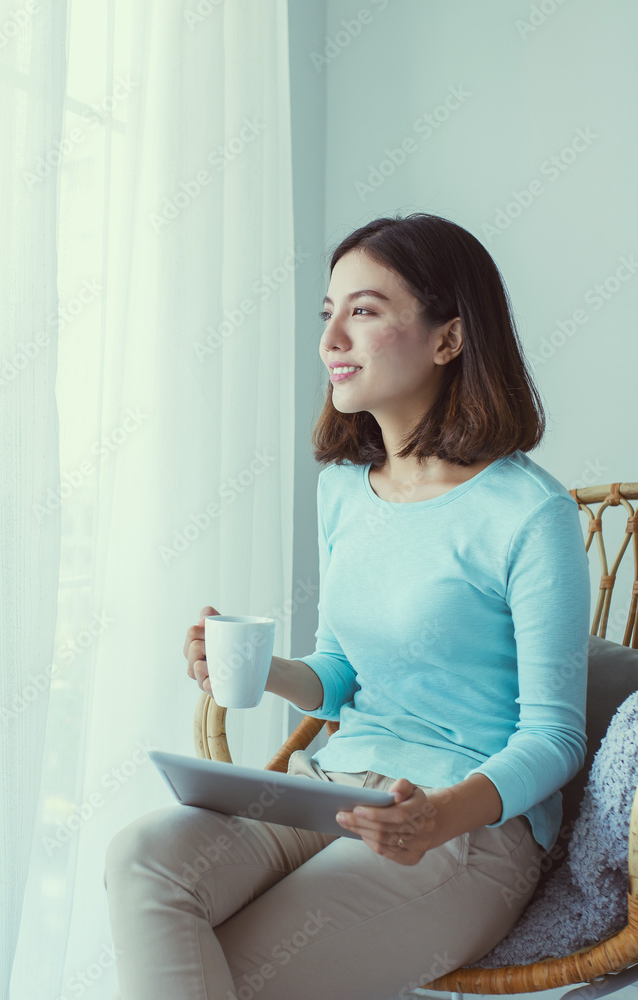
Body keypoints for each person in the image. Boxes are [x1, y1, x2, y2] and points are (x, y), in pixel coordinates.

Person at [103, 212, 590, 1000]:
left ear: (449, 339)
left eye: (363, 311)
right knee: (144, 858)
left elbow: (556, 737)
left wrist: (439, 814)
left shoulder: (530, 514)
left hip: (464, 830)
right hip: (327, 785)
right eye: (327, 313)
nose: (332, 338)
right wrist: (265, 671)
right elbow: (340, 675)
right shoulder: (343, 492)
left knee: (237, 969)